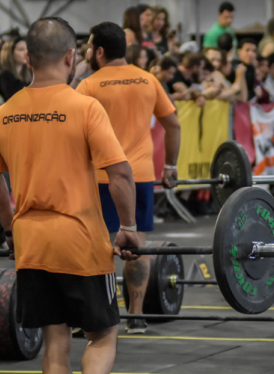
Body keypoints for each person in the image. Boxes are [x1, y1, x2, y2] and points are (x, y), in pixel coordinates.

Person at [0, 17, 140, 374]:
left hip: (32, 244)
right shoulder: (85, 107)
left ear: (28, 58)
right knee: (102, 335)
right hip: (80, 242)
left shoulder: (3, 114)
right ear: (70, 57)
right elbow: (120, 173)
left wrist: (10, 228)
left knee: (55, 339)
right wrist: (129, 225)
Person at [76, 21, 181, 335]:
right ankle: (136, 316)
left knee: (98, 247)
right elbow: (173, 125)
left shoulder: (89, 85)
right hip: (140, 176)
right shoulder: (148, 80)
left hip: (102, 177)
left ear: (98, 51)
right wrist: (171, 167)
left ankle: (98, 317)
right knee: (138, 244)